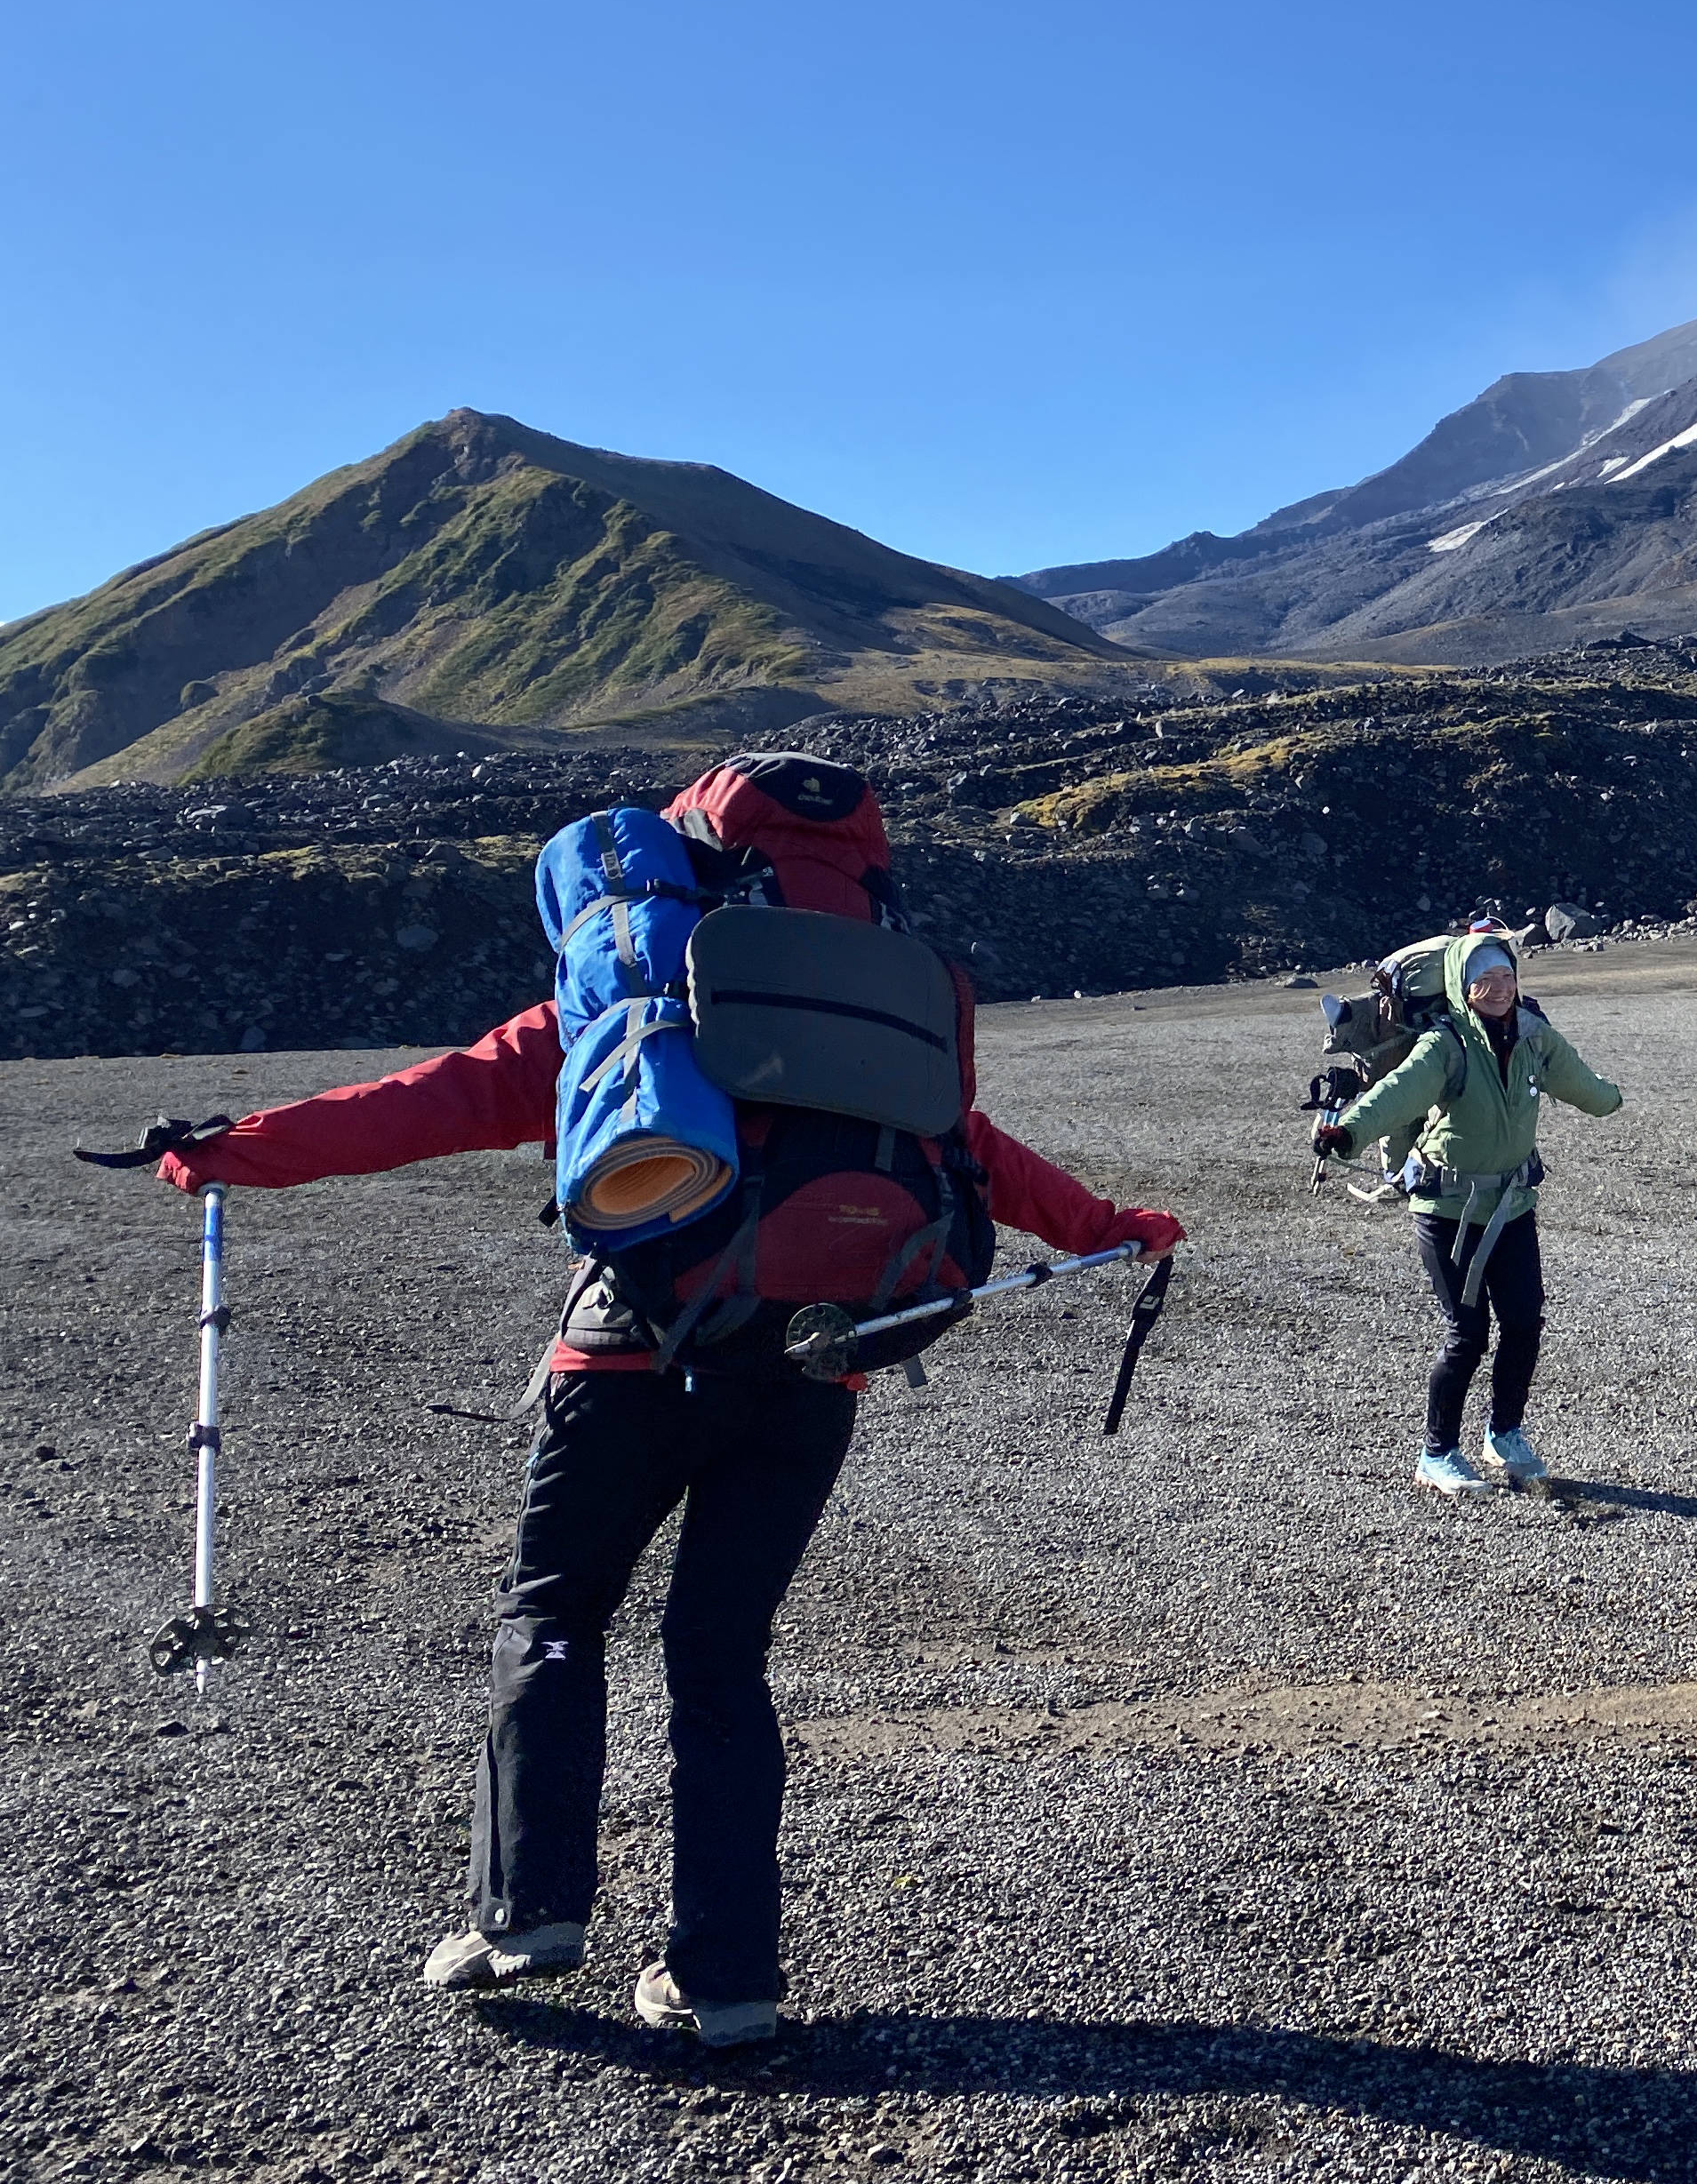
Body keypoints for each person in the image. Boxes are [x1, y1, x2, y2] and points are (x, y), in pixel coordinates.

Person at [92, 753, 1181, 2050]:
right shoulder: (891, 1005)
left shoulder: (644, 988)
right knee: (721, 1654)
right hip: (818, 1367)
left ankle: (527, 1913)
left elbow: (429, 1102)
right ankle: (727, 1978)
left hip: (631, 1359)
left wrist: (227, 1152)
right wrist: (1114, 1225)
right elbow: (976, 1154)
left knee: (554, 1615)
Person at [1312, 925, 1620, 1493]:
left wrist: (1608, 1096)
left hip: (1512, 1205)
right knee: (1469, 1336)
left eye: (1506, 976)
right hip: (1447, 1209)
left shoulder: (1534, 1036)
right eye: (1485, 979)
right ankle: (1438, 1452)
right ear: (1462, 985)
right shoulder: (1444, 1046)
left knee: (1525, 1322)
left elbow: (1586, 1088)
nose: (1499, 987)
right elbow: (1396, 1094)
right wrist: (1346, 1133)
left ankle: (1504, 1434)